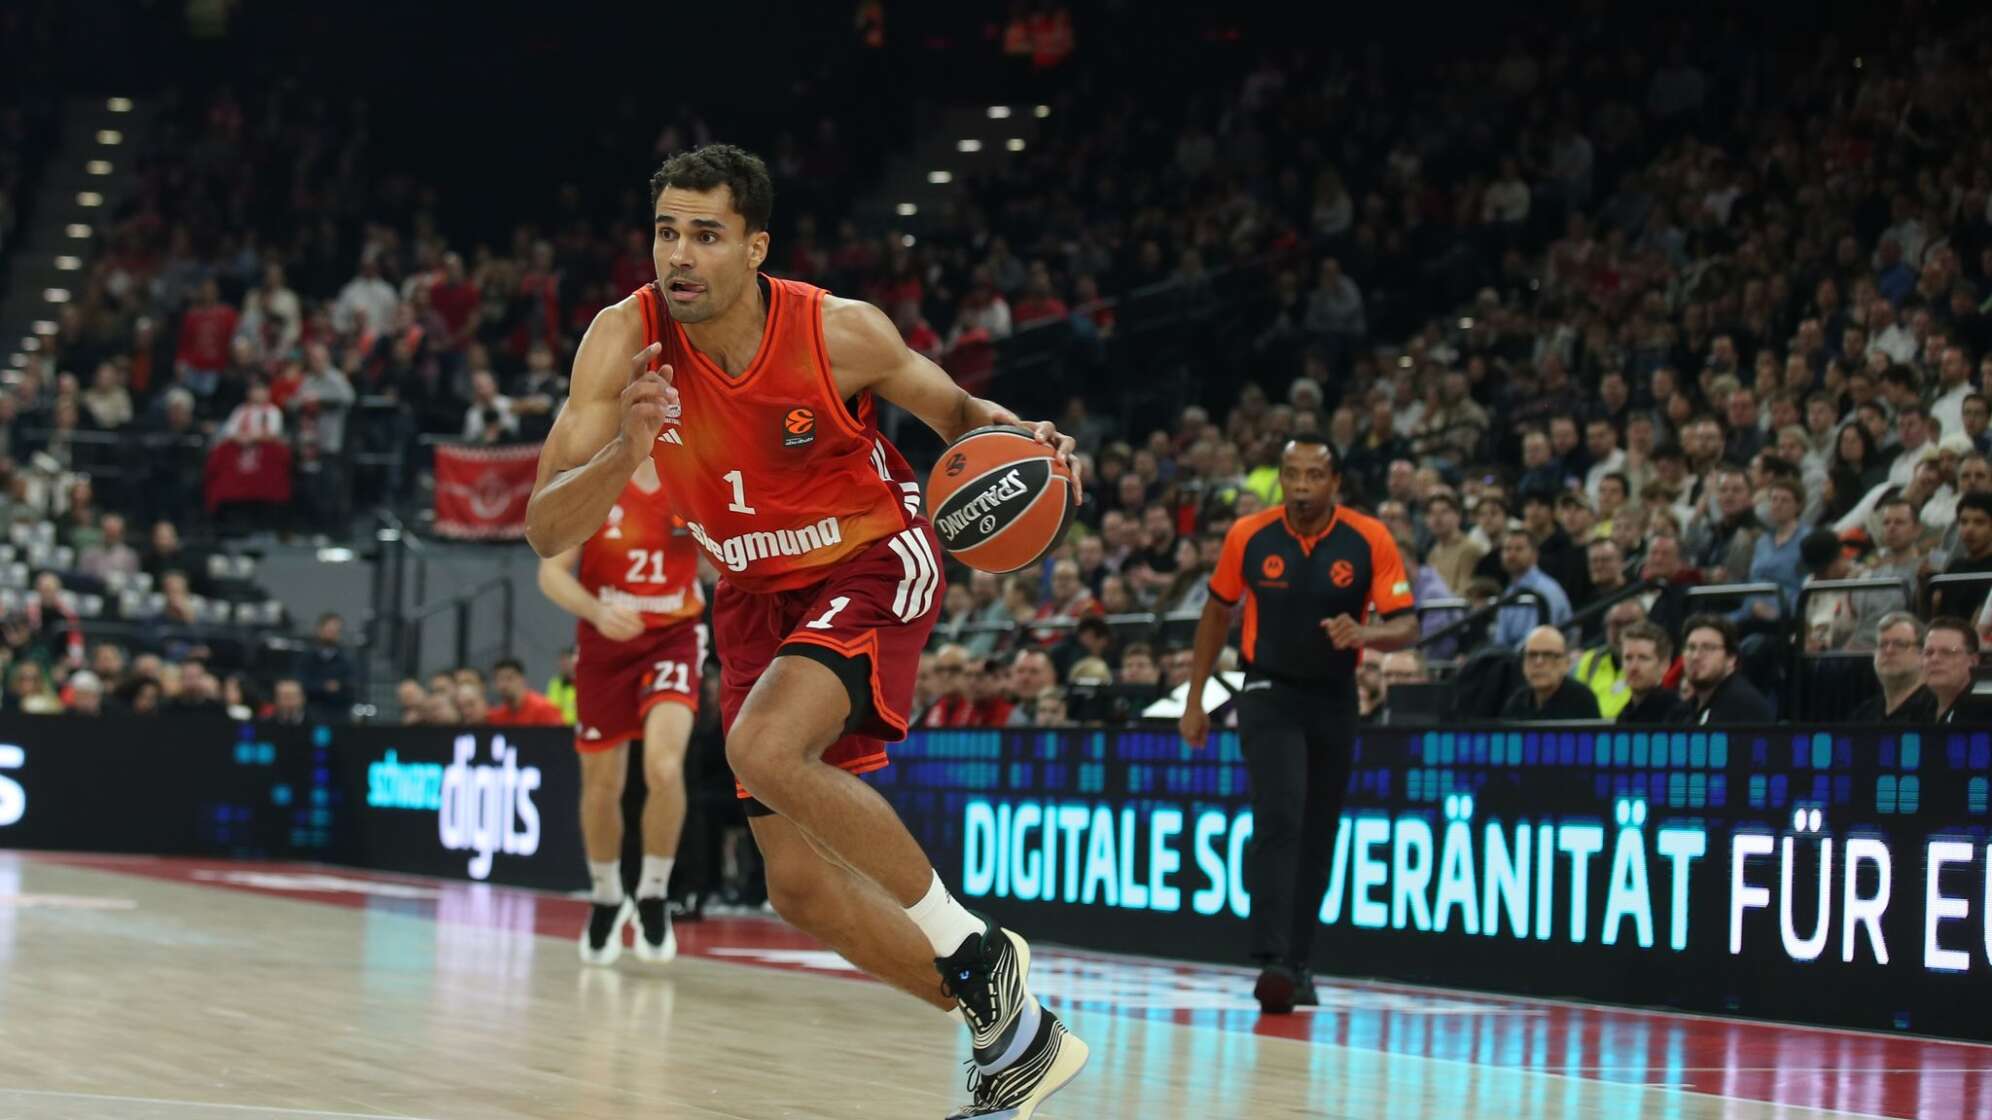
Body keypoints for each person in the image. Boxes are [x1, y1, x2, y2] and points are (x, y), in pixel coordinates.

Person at [521, 145, 1087, 1114]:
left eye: (706, 234)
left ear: (755, 246)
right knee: (798, 888)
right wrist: (626, 449)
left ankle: (977, 949)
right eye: (667, 232)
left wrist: (1021, 438)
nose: (680, 256)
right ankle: (1017, 1032)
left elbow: (955, 408)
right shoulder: (623, 343)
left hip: (872, 556)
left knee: (760, 743)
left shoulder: (836, 331)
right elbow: (542, 526)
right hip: (749, 595)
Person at [1179, 436, 1418, 1013]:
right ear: (1281, 480)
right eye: (1292, 475)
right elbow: (1216, 613)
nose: (1302, 487)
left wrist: (1368, 635)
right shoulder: (1248, 535)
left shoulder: (1369, 538)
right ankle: (1273, 961)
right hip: (1266, 690)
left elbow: (1405, 625)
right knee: (1281, 815)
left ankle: (1301, 962)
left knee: (1318, 831)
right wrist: (1195, 698)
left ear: (1336, 483)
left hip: (1335, 696)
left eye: (1315, 475)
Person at [537, 456, 708, 967]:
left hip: (674, 635)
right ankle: (608, 893)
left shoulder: (693, 476)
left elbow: (727, 558)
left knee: (662, 765)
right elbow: (550, 574)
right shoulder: (598, 479)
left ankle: (653, 891)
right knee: (602, 784)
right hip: (605, 640)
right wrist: (595, 610)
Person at [1677, 614, 1777, 724]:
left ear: (1731, 658)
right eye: (1691, 648)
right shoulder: (1682, 711)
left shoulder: (1744, 707)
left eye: (1708, 648)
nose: (1695, 656)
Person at [1848, 613, 1936, 722]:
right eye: (1882, 644)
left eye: (1900, 644)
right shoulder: (1863, 715)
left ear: (1923, 653)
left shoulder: (1937, 710)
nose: (1889, 651)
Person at [1501, 626, 1603, 719]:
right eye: (1532, 655)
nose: (1539, 662)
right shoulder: (1516, 703)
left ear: (1566, 663)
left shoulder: (1583, 701)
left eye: (1549, 655)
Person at [1574, 599, 1645, 718]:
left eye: (1630, 623)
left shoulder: (1651, 661)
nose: (1623, 631)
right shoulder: (1591, 660)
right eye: (1617, 624)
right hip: (1592, 731)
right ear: (1606, 627)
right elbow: (1575, 703)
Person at [1923, 616, 1991, 724]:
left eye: (1947, 652)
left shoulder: (1985, 711)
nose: (1934, 659)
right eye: (1928, 652)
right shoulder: (1918, 707)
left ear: (1973, 661)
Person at [1615, 622, 1678, 724]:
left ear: (1664, 665)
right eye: (1628, 658)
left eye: (1643, 658)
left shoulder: (1679, 715)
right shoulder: (1623, 716)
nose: (1634, 667)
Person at [487, 657, 569, 726]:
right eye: (499, 679)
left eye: (509, 678)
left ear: (522, 679)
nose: (503, 685)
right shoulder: (496, 716)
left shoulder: (544, 709)